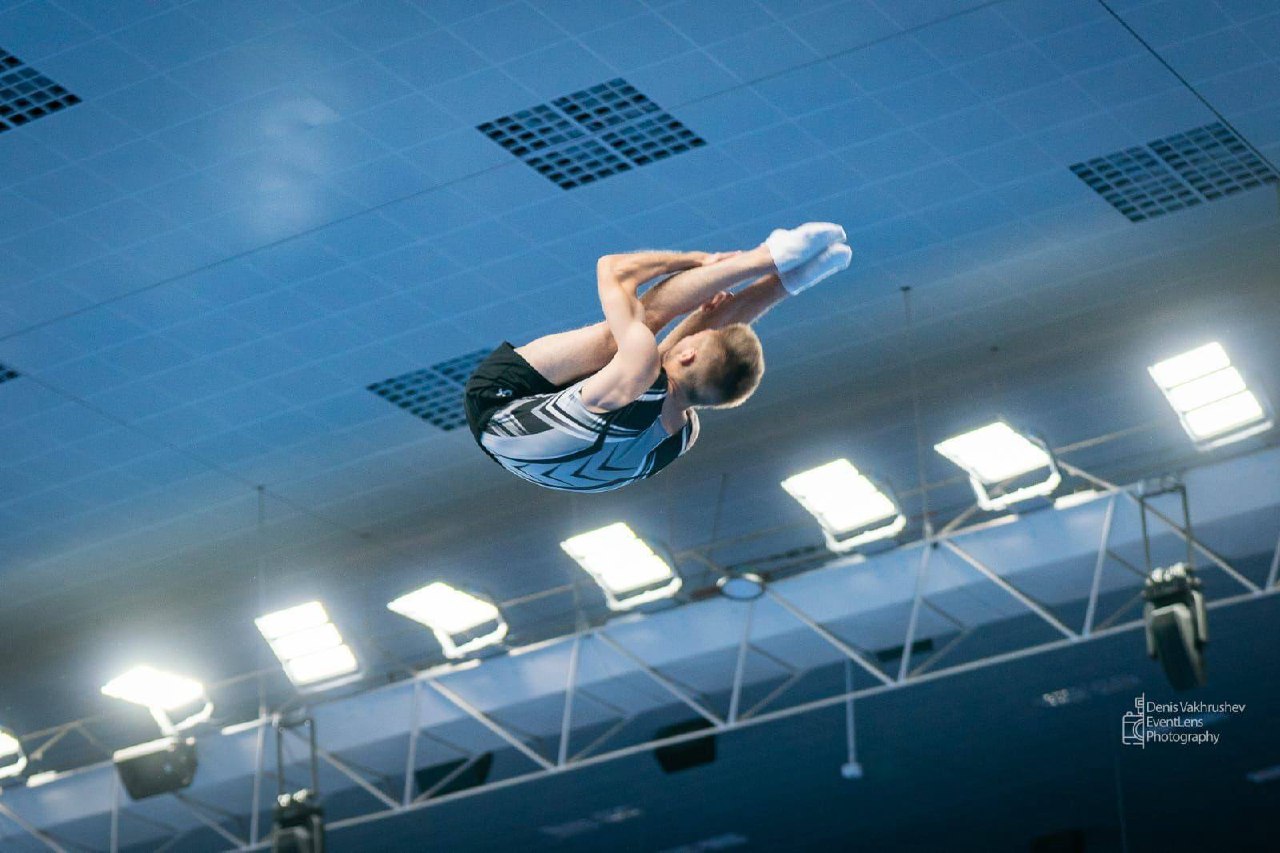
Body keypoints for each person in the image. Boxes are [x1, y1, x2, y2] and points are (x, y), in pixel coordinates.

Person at [463, 222, 852, 493]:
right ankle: (791, 279)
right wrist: (703, 321)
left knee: (623, 334)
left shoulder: (639, 368)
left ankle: (766, 258)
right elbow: (676, 369)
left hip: (497, 410)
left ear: (689, 353)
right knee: (646, 362)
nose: (700, 324)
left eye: (699, 336)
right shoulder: (682, 435)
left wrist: (697, 261)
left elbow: (613, 269)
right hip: (551, 464)